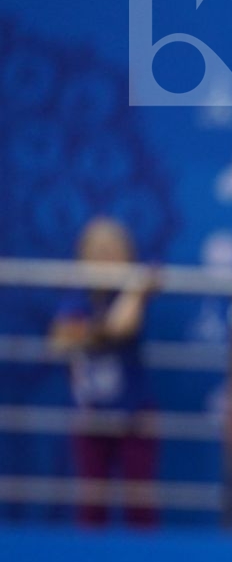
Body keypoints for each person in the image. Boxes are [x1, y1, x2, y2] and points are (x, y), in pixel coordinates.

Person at [49, 217, 157, 528]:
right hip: (90, 414)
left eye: (112, 250)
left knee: (140, 508)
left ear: (127, 254)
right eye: (97, 251)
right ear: (82, 255)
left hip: (134, 414)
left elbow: (124, 325)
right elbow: (59, 340)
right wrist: (99, 332)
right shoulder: (77, 294)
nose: (104, 258)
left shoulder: (132, 290)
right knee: (91, 505)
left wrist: (89, 331)